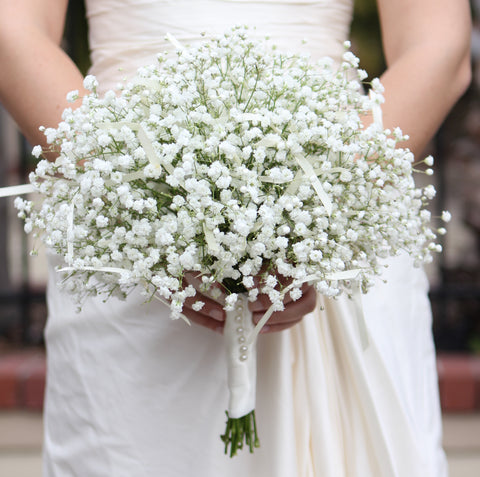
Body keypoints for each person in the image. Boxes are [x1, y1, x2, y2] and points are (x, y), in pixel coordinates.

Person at [0, 0, 471, 476]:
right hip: (128, 250)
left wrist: (318, 206)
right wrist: (137, 193)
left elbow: (439, 46)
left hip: (341, 222)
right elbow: (12, 30)